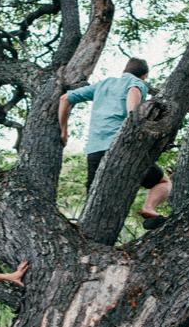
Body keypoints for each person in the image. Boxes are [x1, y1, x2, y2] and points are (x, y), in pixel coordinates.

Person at [59, 57, 171, 224]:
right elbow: (132, 103)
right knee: (163, 181)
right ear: (144, 76)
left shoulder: (104, 84)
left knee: (94, 199)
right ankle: (148, 207)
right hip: (121, 147)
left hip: (94, 150)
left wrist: (64, 131)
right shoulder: (137, 83)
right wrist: (133, 119)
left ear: (124, 71)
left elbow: (65, 99)